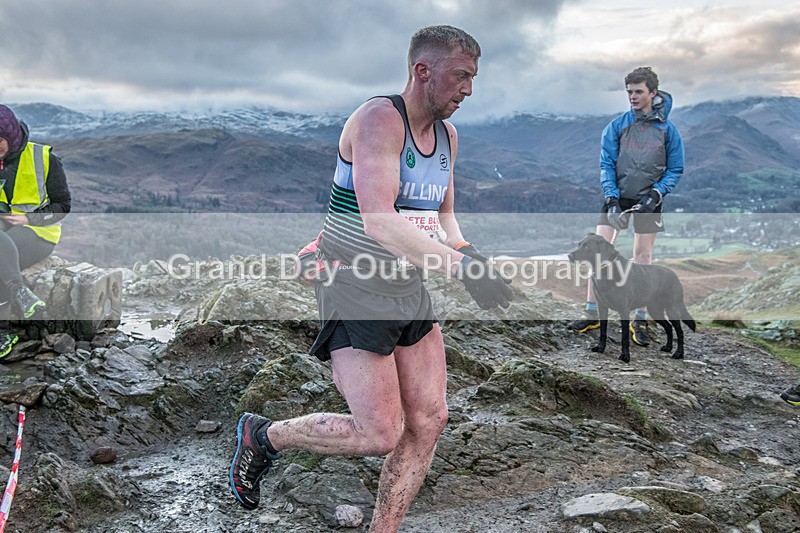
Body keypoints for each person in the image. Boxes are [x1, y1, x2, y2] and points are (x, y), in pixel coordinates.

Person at [228, 25, 512, 531]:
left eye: (473, 77)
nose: (469, 89)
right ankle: (264, 436)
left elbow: (443, 217)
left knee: (430, 419)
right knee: (380, 433)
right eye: (461, 76)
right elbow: (379, 219)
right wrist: (461, 269)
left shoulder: (448, 136)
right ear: (422, 71)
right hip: (354, 285)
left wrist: (472, 255)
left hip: (407, 285)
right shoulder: (379, 119)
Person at [567, 67, 684, 347]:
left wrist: (657, 193)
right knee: (597, 249)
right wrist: (611, 198)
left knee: (642, 255)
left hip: (649, 200)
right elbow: (606, 163)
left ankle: (639, 319)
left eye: (638, 91)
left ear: (653, 93)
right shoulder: (617, 126)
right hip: (616, 197)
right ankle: (592, 313)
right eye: (629, 91)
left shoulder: (668, 130)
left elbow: (675, 168)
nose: (632, 97)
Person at [0, 105, 71, 358]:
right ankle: (20, 293)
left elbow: (63, 205)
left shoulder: (44, 158)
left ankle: (3, 332)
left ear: (10, 134)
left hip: (38, 233)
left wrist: (29, 218)